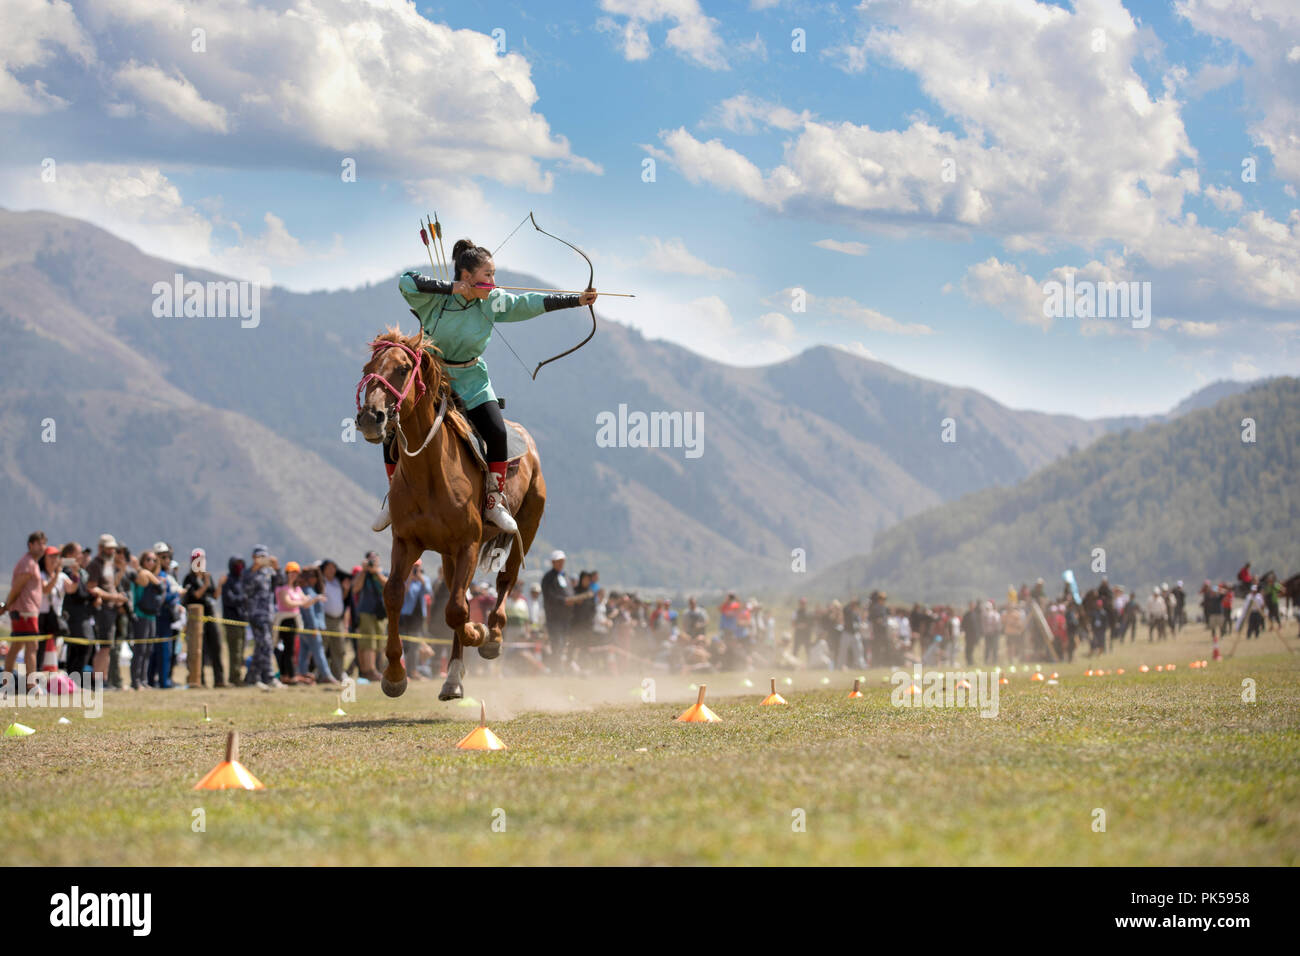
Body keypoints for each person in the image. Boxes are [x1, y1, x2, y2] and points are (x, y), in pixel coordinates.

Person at [366, 237, 601, 535]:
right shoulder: (435, 299)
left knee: (496, 431)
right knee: (393, 430)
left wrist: (577, 300)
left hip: (472, 380)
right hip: (432, 381)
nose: (493, 281)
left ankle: (493, 500)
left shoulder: (492, 301)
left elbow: (529, 302)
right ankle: (394, 499)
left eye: (493, 275)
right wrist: (452, 289)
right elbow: (406, 282)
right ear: (466, 276)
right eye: (487, 275)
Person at [1, 531, 48, 686]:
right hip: (25, 611)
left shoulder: (32, 563)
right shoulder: (27, 563)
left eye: (44, 544)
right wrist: (7, 606)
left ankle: (6, 682)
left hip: (26, 610)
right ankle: (31, 685)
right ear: (30, 545)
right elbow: (16, 588)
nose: (43, 547)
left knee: (16, 646)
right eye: (39, 543)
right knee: (31, 646)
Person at [242, 545, 285, 690]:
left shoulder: (269, 572)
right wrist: (255, 569)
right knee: (265, 645)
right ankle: (269, 677)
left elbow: (281, 583)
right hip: (255, 615)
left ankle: (252, 678)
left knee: (262, 647)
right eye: (259, 556)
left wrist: (277, 567)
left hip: (269, 614)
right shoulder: (249, 573)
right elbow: (245, 589)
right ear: (253, 558)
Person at [183, 548, 226, 687]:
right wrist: (206, 584)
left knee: (216, 647)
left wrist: (219, 585)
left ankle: (219, 680)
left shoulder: (208, 576)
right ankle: (198, 679)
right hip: (196, 618)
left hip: (210, 615)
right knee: (197, 649)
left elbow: (214, 596)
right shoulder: (189, 579)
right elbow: (195, 595)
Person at [129, 551, 164, 690]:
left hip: (151, 616)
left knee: (148, 650)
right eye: (148, 559)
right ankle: (135, 681)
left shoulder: (154, 576)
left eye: (154, 560)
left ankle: (144, 680)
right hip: (140, 615)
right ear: (143, 560)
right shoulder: (141, 575)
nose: (151, 562)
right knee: (140, 649)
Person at [296, 564, 337, 684]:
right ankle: (327, 676)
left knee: (304, 653)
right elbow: (309, 611)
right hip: (311, 627)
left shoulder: (307, 590)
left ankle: (302, 674)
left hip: (304, 627)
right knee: (318, 652)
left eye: (314, 576)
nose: (313, 578)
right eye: (311, 576)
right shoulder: (309, 591)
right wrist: (314, 627)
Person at [353, 551, 387, 682]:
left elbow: (388, 584)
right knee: (368, 643)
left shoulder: (383, 573)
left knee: (380, 644)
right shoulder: (363, 574)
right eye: (370, 560)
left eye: (374, 559)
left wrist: (376, 572)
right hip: (366, 612)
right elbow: (355, 588)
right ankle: (369, 671)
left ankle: (377, 669)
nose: (373, 562)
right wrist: (363, 571)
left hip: (381, 613)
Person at [398, 560, 432, 681]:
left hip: (418, 618)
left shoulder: (425, 579)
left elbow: (428, 591)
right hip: (406, 616)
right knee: (405, 646)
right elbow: (403, 592)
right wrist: (410, 579)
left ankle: (413, 671)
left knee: (414, 646)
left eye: (417, 566)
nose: (415, 568)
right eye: (413, 566)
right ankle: (404, 672)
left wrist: (420, 578)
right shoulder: (405, 578)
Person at [218, 556, 247, 685]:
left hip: (242, 620)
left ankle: (237, 675)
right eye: (237, 564)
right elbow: (229, 600)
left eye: (241, 564)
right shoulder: (227, 581)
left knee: (241, 650)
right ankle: (234, 677)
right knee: (234, 650)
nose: (239, 567)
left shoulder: (243, 580)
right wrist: (244, 598)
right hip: (231, 620)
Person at [318, 559, 348, 681]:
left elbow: (341, 598)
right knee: (323, 647)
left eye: (334, 567)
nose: (332, 570)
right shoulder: (321, 582)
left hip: (337, 620)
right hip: (325, 618)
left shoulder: (337, 582)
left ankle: (338, 674)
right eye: (329, 568)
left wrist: (346, 589)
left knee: (339, 648)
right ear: (323, 570)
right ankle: (322, 675)